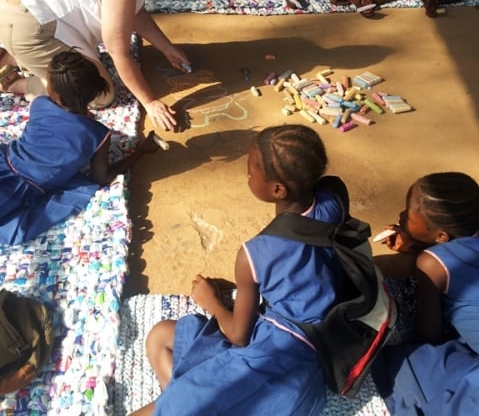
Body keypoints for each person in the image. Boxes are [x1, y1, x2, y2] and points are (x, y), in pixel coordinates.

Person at [131, 124, 350, 415]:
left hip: (268, 362)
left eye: (252, 170)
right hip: (312, 375)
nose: (247, 174)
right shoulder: (334, 199)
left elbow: (238, 336)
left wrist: (213, 303)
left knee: (163, 355)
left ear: (277, 189)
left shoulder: (254, 254)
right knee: (161, 337)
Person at [0, 0, 211, 130]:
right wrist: (149, 101)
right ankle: (15, 81)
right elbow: (118, 50)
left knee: (87, 68)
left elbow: (132, 10)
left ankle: (13, 53)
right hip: (24, 19)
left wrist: (166, 47)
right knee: (99, 93)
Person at [0, 50, 161, 246]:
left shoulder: (39, 104)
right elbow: (101, 178)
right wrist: (141, 152)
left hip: (6, 162)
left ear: (54, 92)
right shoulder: (98, 134)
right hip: (24, 189)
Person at [371, 172, 479, 415]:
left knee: (402, 365)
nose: (401, 217)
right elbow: (459, 253)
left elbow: (427, 336)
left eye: (408, 216)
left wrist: (420, 256)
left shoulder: (430, 264)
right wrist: (418, 243)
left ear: (441, 236)